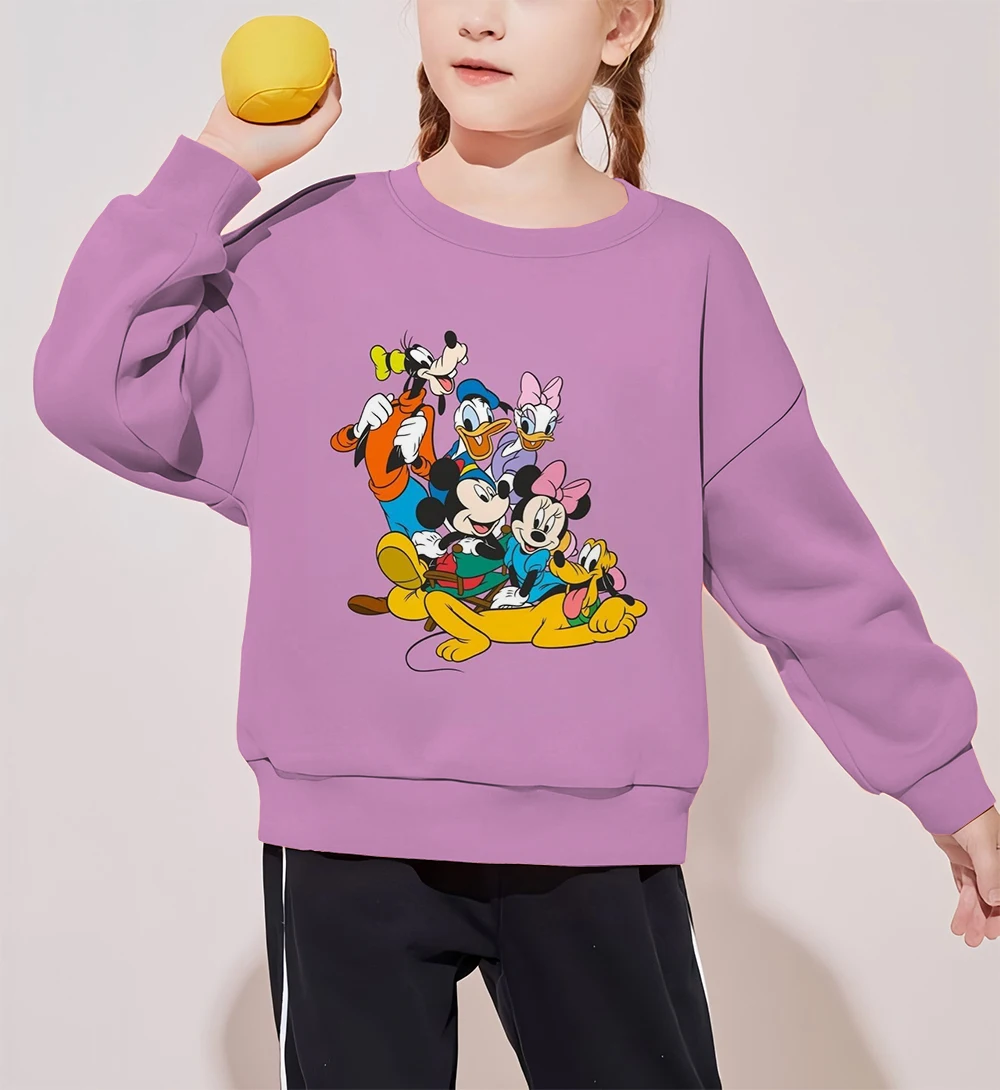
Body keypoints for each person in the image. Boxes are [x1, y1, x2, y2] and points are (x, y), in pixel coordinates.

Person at [30, 2, 998, 1087]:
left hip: (600, 848)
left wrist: (941, 777)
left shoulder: (688, 270)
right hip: (345, 842)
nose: (481, 19)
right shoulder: (307, 250)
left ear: (620, 26)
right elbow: (92, 384)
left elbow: (804, 562)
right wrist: (217, 162)